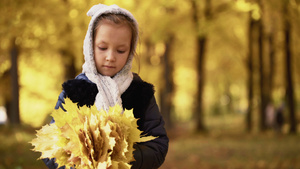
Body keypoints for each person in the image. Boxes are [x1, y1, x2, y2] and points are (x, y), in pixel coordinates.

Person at [42, 4, 169, 169]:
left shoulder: (140, 93)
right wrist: (78, 160)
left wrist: (122, 156)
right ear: (90, 46)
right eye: (102, 48)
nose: (110, 57)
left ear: (130, 52)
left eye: (121, 50)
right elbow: (50, 147)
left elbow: (158, 147)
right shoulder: (74, 92)